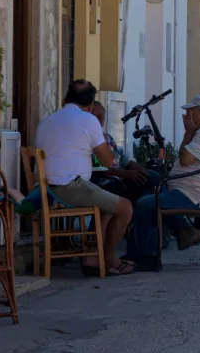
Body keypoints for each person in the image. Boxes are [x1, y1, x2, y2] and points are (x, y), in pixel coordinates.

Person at [35, 80, 135, 276]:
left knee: (108, 202)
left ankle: (93, 257)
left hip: (45, 190)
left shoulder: (46, 121)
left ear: (64, 99)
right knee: (125, 208)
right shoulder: (88, 120)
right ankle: (109, 259)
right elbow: (107, 161)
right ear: (90, 105)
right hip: (70, 188)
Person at [127, 95, 200, 268]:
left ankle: (145, 258)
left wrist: (188, 132)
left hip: (194, 196)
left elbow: (185, 159)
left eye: (191, 111)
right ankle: (185, 231)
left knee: (145, 204)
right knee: (149, 178)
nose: (187, 115)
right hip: (186, 189)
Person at [88, 101, 161, 204]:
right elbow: (100, 169)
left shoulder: (107, 138)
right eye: (96, 117)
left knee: (153, 176)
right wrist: (125, 173)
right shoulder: (87, 140)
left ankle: (157, 214)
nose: (100, 122)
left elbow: (123, 160)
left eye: (102, 118)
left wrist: (141, 170)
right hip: (104, 182)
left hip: (120, 177)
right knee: (141, 192)